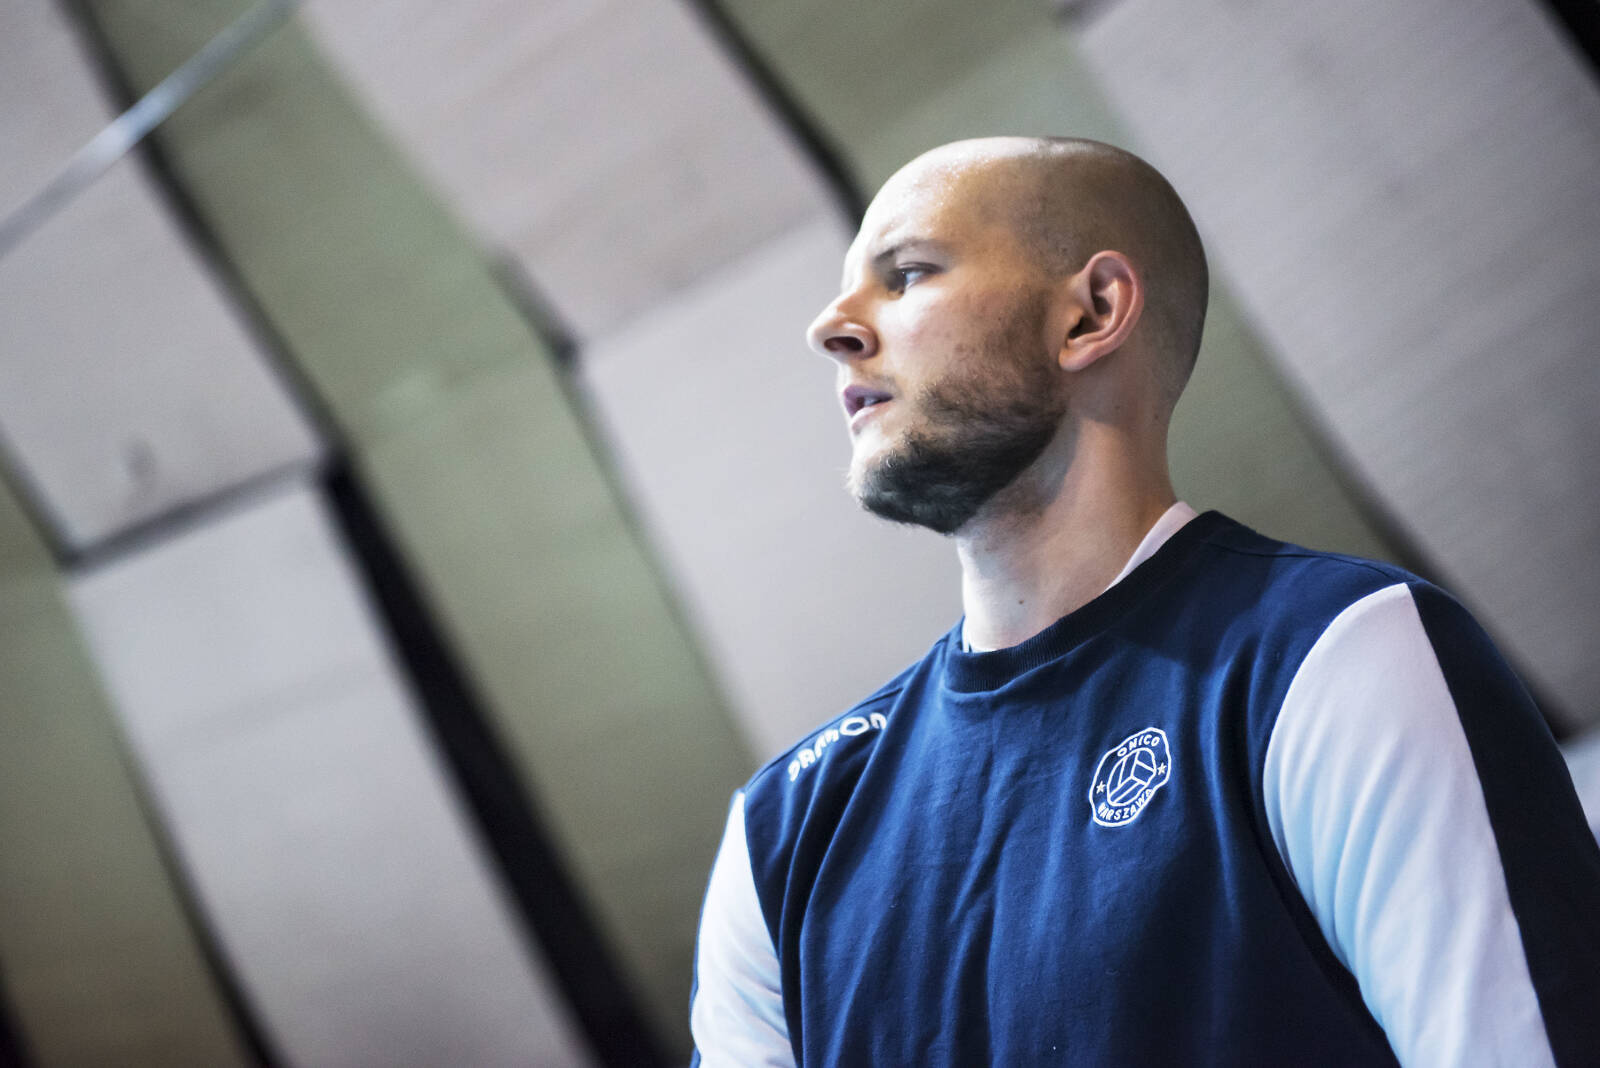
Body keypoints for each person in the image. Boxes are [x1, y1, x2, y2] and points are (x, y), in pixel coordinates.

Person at [687, 137, 1600, 1066]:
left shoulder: (1335, 657)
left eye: (908, 274)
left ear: (1091, 313)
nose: (831, 327)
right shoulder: (782, 831)